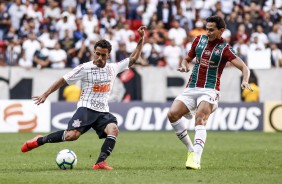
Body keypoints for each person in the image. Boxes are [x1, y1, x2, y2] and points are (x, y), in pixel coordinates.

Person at [21, 26, 146, 170]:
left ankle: (100, 162)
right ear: (93, 52)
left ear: (108, 55)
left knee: (113, 129)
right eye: (97, 54)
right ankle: (39, 140)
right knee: (71, 136)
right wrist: (45, 94)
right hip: (86, 108)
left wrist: (142, 38)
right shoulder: (84, 68)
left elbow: (134, 58)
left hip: (102, 111)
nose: (99, 58)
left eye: (103, 55)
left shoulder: (113, 68)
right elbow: (63, 79)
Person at [167, 16, 253, 170]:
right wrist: (185, 66)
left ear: (221, 31)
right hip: (191, 87)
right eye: (207, 28)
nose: (208, 32)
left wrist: (245, 80)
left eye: (211, 29)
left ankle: (196, 159)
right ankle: (191, 149)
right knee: (172, 114)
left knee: (200, 119)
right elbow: (186, 59)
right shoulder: (198, 40)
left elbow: (244, 68)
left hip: (210, 89)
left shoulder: (225, 48)